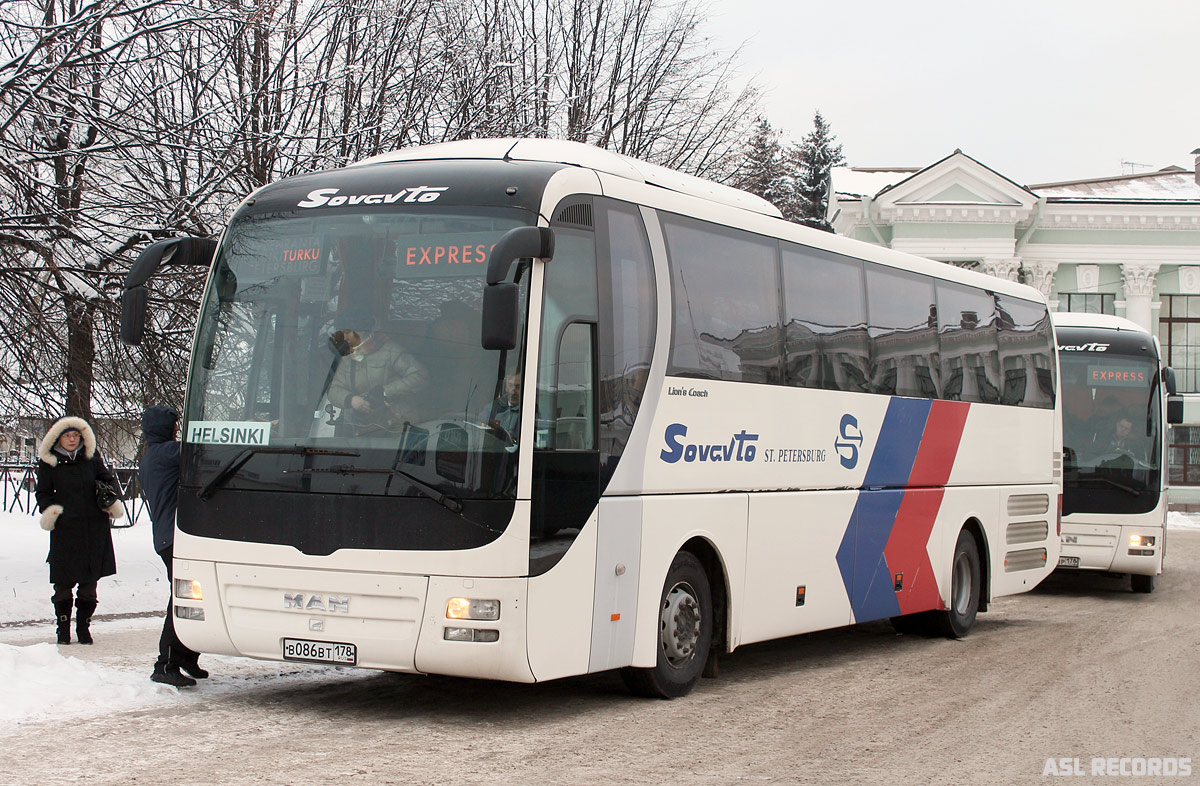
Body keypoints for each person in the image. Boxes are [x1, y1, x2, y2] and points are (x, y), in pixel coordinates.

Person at [35, 416, 125, 645]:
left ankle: (84, 628)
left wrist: (108, 498)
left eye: (76, 435)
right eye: (67, 436)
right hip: (65, 528)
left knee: (89, 581)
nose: (72, 439)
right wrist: (52, 512)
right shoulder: (50, 462)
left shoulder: (91, 458)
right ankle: (62, 629)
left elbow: (108, 481)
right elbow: (43, 493)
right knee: (63, 582)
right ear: (58, 438)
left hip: (93, 526)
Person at [139, 405, 205, 688]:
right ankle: (165, 663)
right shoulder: (167, 452)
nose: (178, 429)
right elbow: (201, 450)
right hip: (174, 538)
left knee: (195, 598)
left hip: (168, 536)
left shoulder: (151, 456)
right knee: (181, 599)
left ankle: (186, 655)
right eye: (175, 425)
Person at [327, 307, 428, 434]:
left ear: (363, 331)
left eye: (349, 333)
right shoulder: (346, 355)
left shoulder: (390, 351)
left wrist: (385, 392)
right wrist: (351, 400)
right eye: (342, 333)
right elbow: (333, 388)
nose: (345, 338)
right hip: (362, 427)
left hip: (397, 425)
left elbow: (420, 377)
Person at [481, 371, 522, 440]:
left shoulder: (529, 409)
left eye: (518, 387)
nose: (513, 391)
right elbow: (480, 421)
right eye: (510, 385)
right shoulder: (493, 407)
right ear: (506, 388)